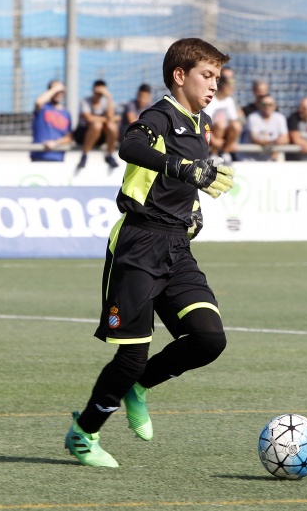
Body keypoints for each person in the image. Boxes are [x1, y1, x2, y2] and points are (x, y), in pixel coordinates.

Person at [64, 37, 235, 468]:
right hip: (138, 244)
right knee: (132, 353)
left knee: (208, 339)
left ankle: (139, 387)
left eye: (218, 77)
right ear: (180, 76)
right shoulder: (158, 115)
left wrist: (194, 206)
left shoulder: (205, 123)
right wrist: (177, 166)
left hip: (177, 245)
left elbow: (189, 179)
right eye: (207, 75)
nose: (215, 84)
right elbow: (130, 147)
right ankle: (84, 433)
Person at [74, 79, 120, 170]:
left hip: (99, 135)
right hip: (83, 133)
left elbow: (110, 118)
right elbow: (89, 118)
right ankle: (84, 155)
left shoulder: (106, 102)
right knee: (97, 125)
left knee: (112, 127)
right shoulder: (85, 101)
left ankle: (109, 155)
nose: (99, 95)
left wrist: (109, 97)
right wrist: (106, 119)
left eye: (101, 93)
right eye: (97, 92)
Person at [30, 80, 73, 162]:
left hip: (57, 158)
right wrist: (55, 89)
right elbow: (38, 102)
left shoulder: (66, 113)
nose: (58, 93)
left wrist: (56, 143)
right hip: (39, 156)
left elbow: (69, 138)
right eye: (55, 90)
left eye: (61, 91)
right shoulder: (43, 107)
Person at [203, 75, 241, 162]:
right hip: (211, 133)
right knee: (220, 124)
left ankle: (225, 152)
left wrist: (233, 141)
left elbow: (233, 121)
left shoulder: (229, 101)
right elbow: (204, 123)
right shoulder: (211, 101)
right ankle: (214, 153)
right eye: (229, 86)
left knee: (236, 125)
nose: (232, 89)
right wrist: (214, 140)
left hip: (223, 135)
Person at [245, 94, 289, 161]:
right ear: (260, 105)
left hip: (270, 158)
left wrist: (276, 147)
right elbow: (255, 139)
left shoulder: (280, 118)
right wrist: (274, 143)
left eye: (270, 104)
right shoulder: (253, 118)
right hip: (251, 159)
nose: (267, 107)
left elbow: (285, 139)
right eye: (264, 104)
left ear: (274, 106)